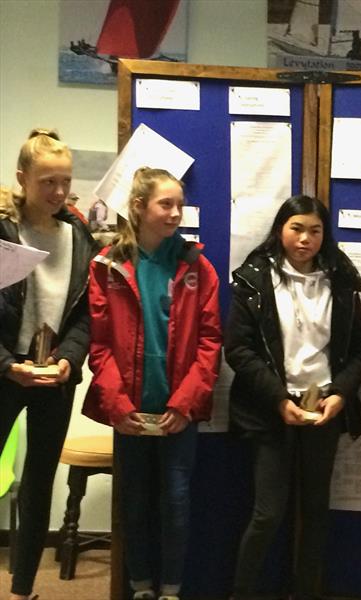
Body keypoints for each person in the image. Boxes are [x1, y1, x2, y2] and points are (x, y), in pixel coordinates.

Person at [83, 167, 222, 600]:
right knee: (136, 504)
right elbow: (100, 346)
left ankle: (172, 591)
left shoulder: (198, 266)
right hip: (130, 414)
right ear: (139, 207)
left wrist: (183, 405)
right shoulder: (107, 267)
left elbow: (210, 342)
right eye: (166, 204)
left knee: (177, 506)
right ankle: (141, 586)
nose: (176, 213)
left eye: (180, 204)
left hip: (177, 414)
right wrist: (118, 407)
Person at [226, 195, 361, 600]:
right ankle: (241, 594)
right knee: (268, 513)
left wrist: (341, 393)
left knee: (316, 513)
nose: (305, 239)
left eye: (315, 230)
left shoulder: (341, 280)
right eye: (296, 228)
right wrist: (277, 398)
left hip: (324, 408)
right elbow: (237, 349)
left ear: (325, 235)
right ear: (279, 231)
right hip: (272, 409)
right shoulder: (254, 279)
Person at [0, 129, 96, 600]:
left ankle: (21, 590)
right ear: (22, 179)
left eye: (65, 181)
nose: (58, 192)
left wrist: (69, 360)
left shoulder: (79, 236)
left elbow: (85, 315)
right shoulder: (2, 232)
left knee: (39, 483)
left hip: (54, 377)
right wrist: (6, 364)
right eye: (47, 182)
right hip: (4, 373)